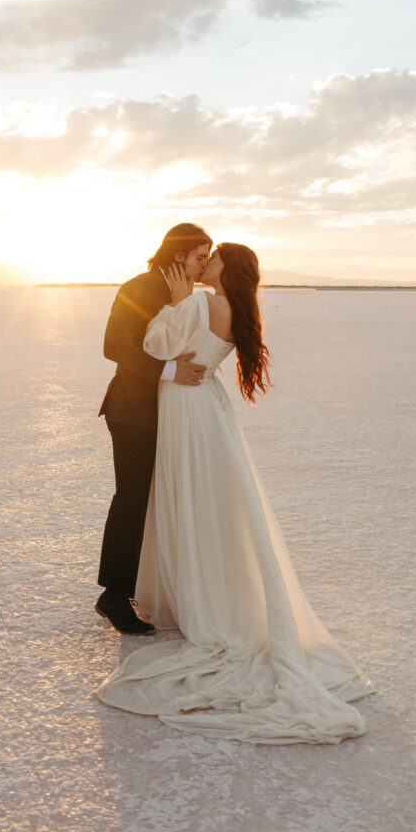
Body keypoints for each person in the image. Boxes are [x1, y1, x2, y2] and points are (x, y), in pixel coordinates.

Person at [97, 243, 375, 743]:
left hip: (185, 407)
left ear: (225, 267)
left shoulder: (200, 302)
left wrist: (176, 303)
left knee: (190, 498)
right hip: (207, 409)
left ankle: (195, 599)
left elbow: (160, 344)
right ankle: (196, 590)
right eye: (201, 254)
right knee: (212, 501)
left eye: (214, 257)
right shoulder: (232, 307)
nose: (206, 264)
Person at [95, 223, 212, 634]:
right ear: (179, 254)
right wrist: (168, 371)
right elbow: (114, 344)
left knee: (158, 500)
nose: (204, 265)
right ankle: (113, 594)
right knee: (133, 500)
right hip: (132, 413)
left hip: (167, 414)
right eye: (200, 256)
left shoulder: (187, 295)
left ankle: (151, 588)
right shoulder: (141, 286)